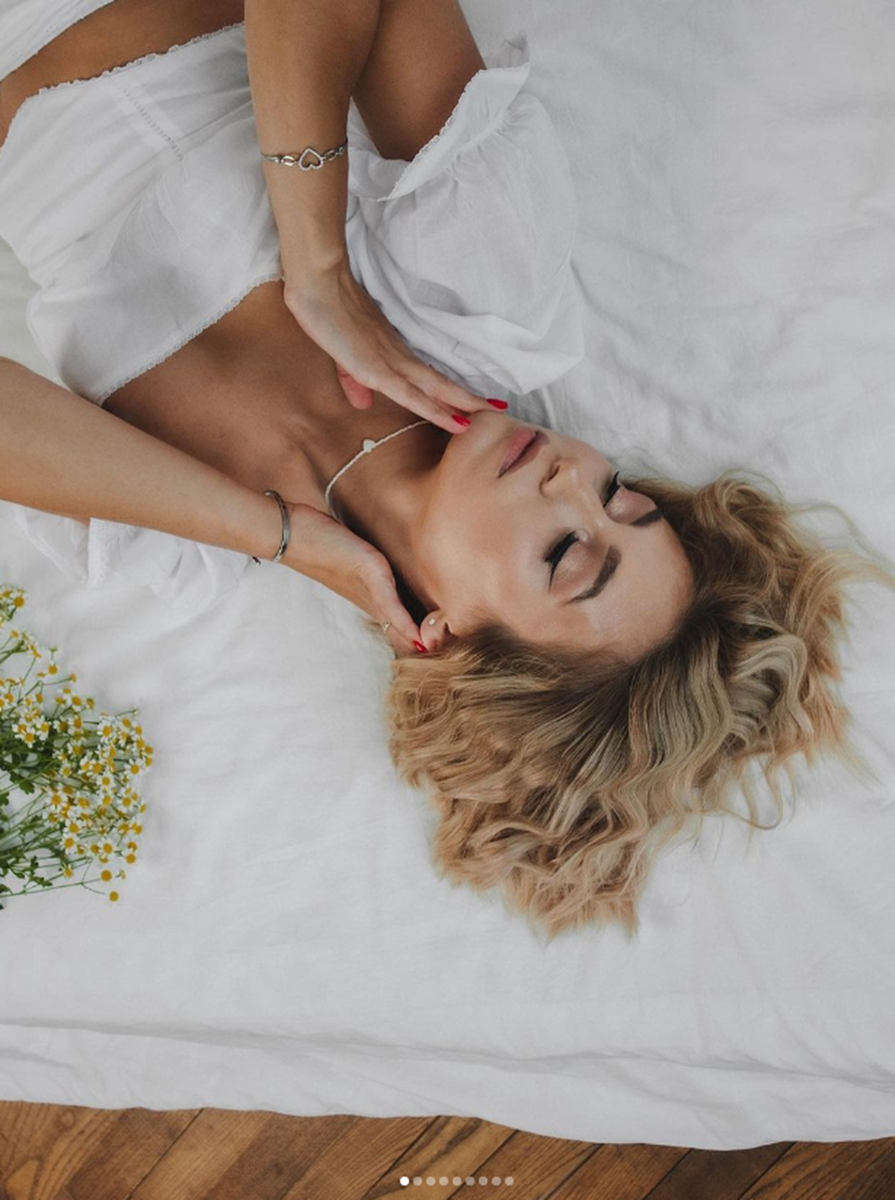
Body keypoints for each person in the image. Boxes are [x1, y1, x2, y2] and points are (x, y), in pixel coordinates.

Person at [1, 0, 893, 940]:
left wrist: (280, 535)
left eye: (566, 554)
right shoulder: (482, 307)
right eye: (619, 496)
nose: (571, 477)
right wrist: (317, 266)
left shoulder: (183, 550)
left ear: (452, 641)